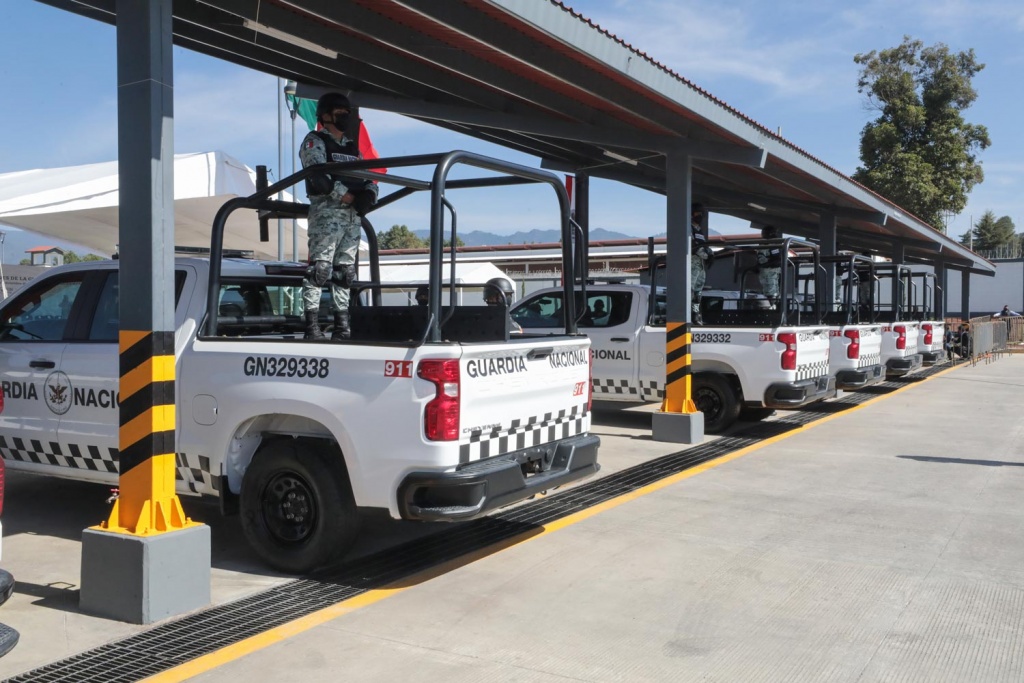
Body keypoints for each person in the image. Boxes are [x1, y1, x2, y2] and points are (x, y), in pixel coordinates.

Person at [299, 92, 378, 341]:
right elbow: (319, 177)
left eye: (347, 112)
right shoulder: (315, 141)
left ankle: (342, 327)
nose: (345, 116)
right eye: (339, 112)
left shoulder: (352, 147)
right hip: (327, 215)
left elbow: (371, 177)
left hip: (353, 218)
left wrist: (370, 194)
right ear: (325, 115)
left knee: (345, 273)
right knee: (320, 270)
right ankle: (312, 327)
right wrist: (348, 197)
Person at [690, 203, 713, 325]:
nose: (700, 216)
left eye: (701, 214)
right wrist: (706, 255)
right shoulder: (688, 228)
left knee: (698, 293)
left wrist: (711, 254)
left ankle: (696, 315)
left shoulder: (699, 230)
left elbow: (703, 245)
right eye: (697, 213)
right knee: (690, 291)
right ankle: (688, 315)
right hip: (691, 265)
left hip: (700, 266)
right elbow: (693, 246)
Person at [757, 225, 783, 308]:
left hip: (775, 271)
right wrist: (773, 261)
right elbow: (762, 260)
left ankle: (775, 306)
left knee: (776, 292)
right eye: (773, 233)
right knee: (770, 291)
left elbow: (777, 256)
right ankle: (771, 307)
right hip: (768, 272)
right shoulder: (764, 245)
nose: (775, 235)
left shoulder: (774, 245)